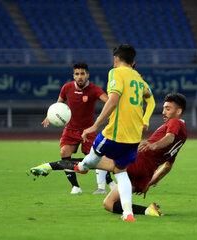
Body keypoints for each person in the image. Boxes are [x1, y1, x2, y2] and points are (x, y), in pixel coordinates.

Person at [31, 45, 155, 221]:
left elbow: (112, 100)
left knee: (88, 162)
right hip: (134, 137)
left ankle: (55, 167)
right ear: (133, 62)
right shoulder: (139, 79)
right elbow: (151, 101)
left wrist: (95, 125)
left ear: (116, 59)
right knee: (121, 172)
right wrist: (146, 120)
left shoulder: (116, 73)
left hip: (113, 133)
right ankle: (128, 213)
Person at [103, 93, 187, 217]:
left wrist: (154, 145)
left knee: (98, 157)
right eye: (164, 108)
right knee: (109, 204)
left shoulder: (175, 123)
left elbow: (169, 137)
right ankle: (148, 211)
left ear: (179, 111)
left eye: (168, 109)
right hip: (144, 175)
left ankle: (73, 165)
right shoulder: (183, 134)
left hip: (137, 163)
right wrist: (148, 183)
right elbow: (167, 166)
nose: (164, 112)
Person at [40, 62, 112, 194]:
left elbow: (108, 101)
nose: (80, 77)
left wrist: (111, 113)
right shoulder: (66, 88)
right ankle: (76, 187)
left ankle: (108, 183)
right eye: (77, 74)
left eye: (82, 74)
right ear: (73, 76)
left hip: (88, 131)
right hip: (71, 130)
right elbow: (59, 104)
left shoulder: (94, 89)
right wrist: (50, 116)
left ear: (87, 75)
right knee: (64, 153)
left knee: (95, 158)